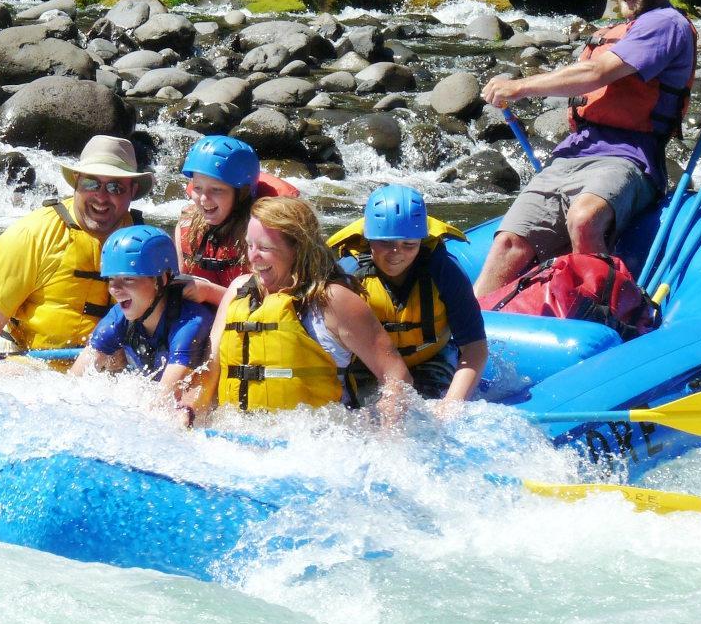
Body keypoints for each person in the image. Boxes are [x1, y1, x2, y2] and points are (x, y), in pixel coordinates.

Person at [474, 0, 697, 297]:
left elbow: (596, 74)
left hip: (629, 157)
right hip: (572, 153)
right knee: (507, 245)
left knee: (584, 217)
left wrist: (519, 86)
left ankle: (598, 316)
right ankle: (467, 339)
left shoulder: (666, 25)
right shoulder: (617, 30)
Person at [194, 196, 416, 430]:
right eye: (250, 245)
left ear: (298, 249)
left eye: (265, 248)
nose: (252, 257)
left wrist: (387, 439)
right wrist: (188, 411)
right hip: (236, 440)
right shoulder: (238, 291)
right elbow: (209, 372)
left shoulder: (333, 301)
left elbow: (398, 379)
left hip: (316, 447)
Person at [0, 135, 152, 384]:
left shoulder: (146, 243)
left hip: (104, 372)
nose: (101, 197)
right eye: (92, 183)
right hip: (29, 365)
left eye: (115, 188)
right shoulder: (32, 234)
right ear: (76, 182)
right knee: (7, 379)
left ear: (132, 191)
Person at [332, 185, 488, 402]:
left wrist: (452, 404)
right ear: (368, 239)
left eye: (409, 244)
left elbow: (475, 347)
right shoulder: (348, 275)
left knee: (427, 417)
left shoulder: (443, 271)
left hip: (432, 359)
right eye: (386, 243)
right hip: (369, 365)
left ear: (421, 241)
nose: (397, 254)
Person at [69, 225, 214, 422]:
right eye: (112, 280)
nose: (115, 290)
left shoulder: (189, 322)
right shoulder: (118, 317)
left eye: (128, 279)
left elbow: (160, 405)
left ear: (161, 279)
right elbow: (72, 383)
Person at [174, 135, 260, 306]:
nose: (204, 199)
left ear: (241, 193)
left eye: (217, 189)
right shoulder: (185, 224)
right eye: (197, 188)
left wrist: (209, 293)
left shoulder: (261, 234)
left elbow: (265, 300)